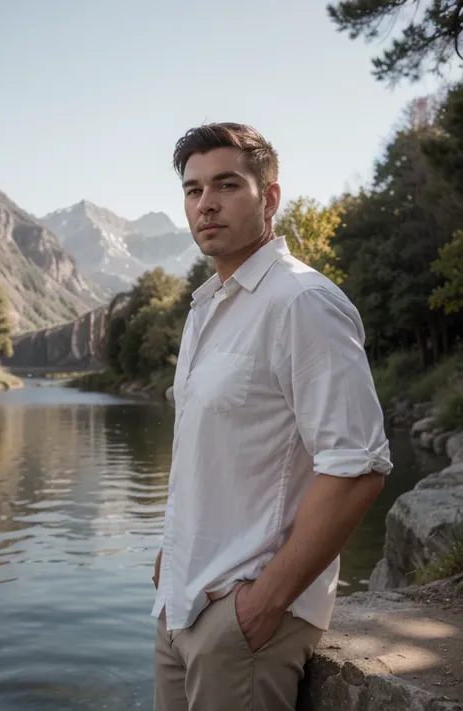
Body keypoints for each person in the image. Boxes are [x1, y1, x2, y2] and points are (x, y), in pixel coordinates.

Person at [151, 122, 392, 711]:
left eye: (226, 185)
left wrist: (264, 604)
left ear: (271, 198)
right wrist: (171, 552)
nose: (206, 203)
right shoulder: (205, 309)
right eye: (192, 190)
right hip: (180, 604)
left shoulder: (302, 302)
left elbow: (357, 466)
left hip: (244, 624)